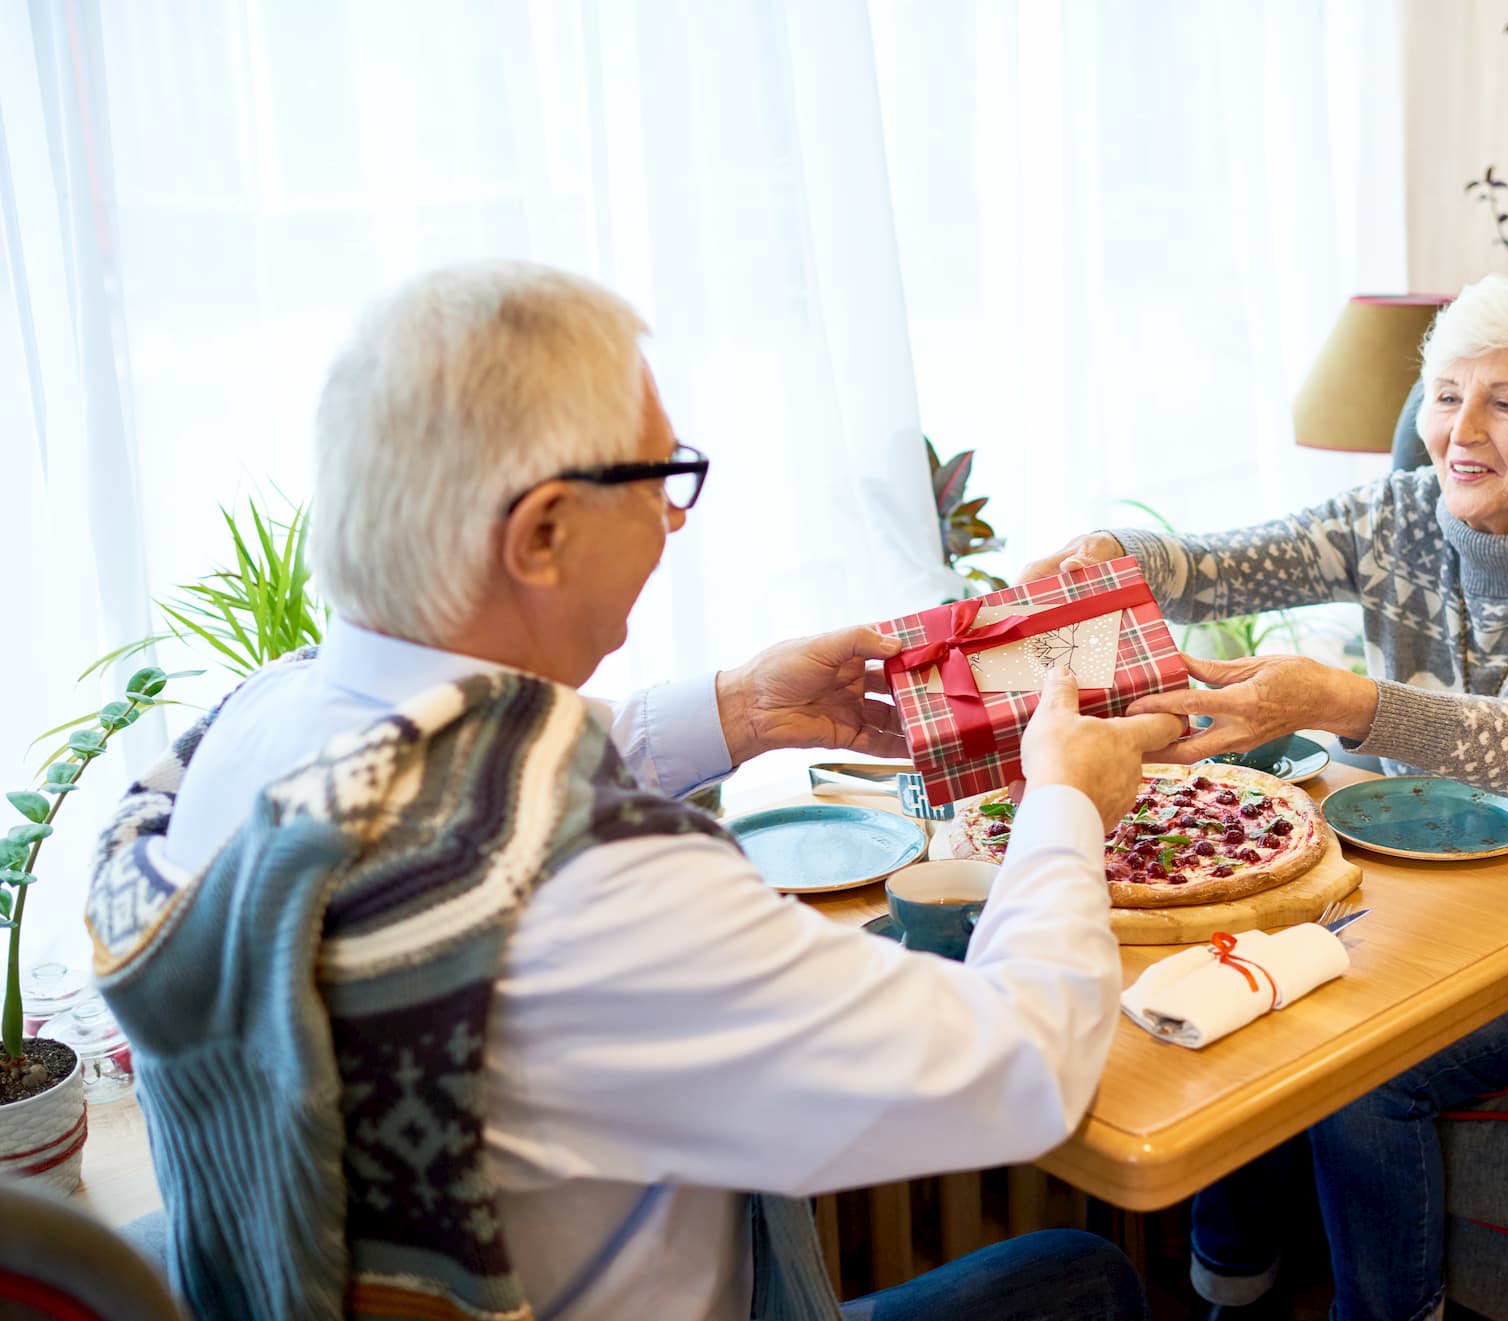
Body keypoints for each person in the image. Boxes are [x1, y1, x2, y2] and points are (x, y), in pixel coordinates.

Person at [88, 261, 1183, 1321]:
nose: (677, 516)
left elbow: (488, 774)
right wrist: (1064, 802)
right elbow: (1025, 1065)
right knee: (1086, 1277)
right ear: (543, 532)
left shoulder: (255, 730)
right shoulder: (598, 892)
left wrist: (743, 709)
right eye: (661, 478)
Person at [1016, 271, 1508, 1321]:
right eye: (1444, 393)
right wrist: (1122, 555)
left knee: (1364, 1071)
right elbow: (1218, 569)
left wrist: (1352, 704)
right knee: (1230, 997)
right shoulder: (1398, 513)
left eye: (1506, 401)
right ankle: (1232, 1294)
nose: (1458, 430)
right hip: (1420, 898)